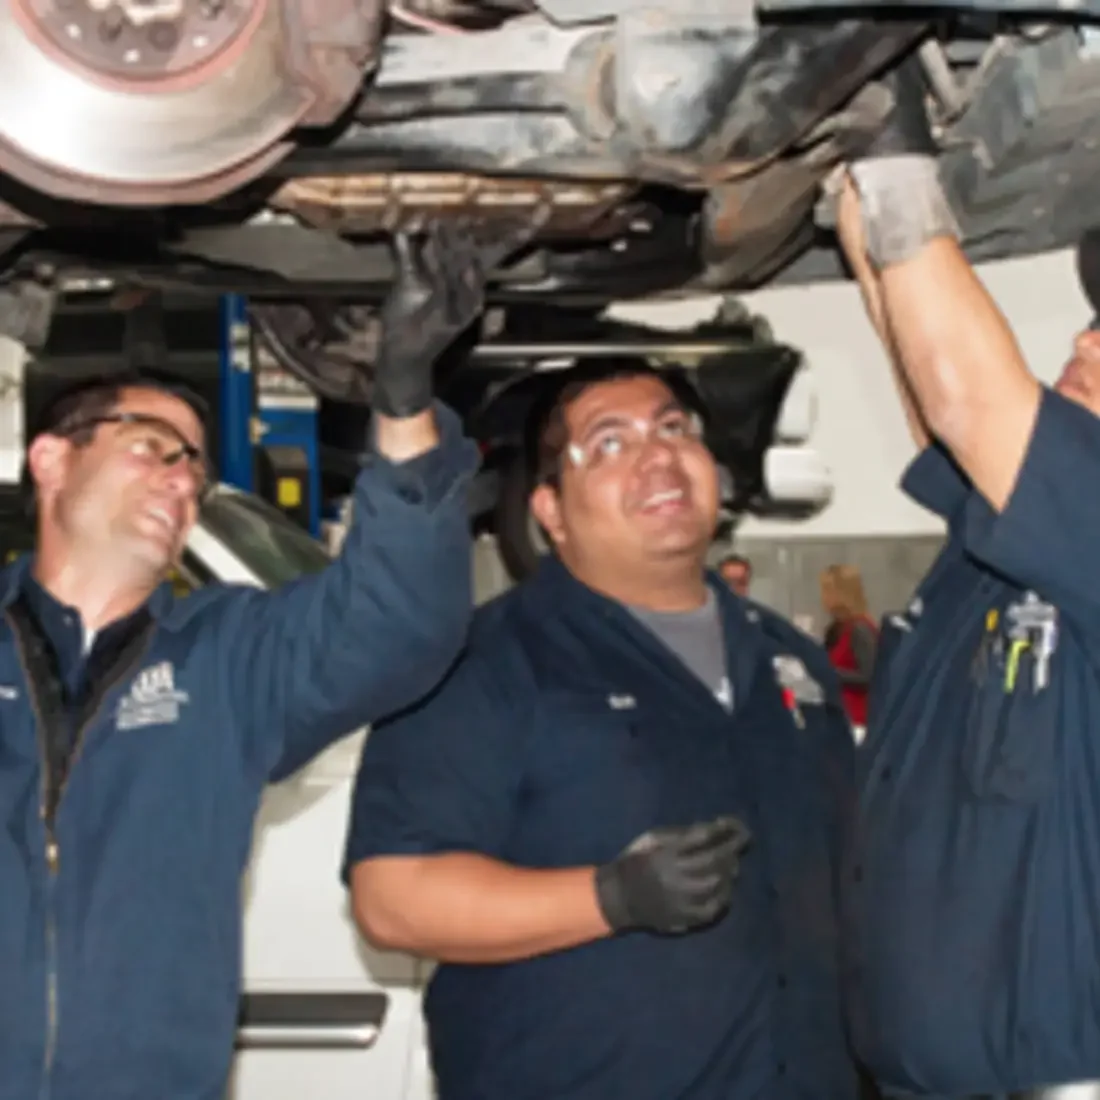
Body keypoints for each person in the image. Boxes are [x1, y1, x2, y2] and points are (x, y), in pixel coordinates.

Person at [0, 224, 514, 1100]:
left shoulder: (226, 657)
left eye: (195, 469)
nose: (181, 481)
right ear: (50, 459)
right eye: (154, 446)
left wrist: (401, 399)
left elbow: (399, 624)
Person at [342, 358, 860, 1100]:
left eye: (673, 429)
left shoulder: (790, 660)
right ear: (549, 510)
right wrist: (610, 898)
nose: (657, 455)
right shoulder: (479, 664)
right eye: (610, 443)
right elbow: (393, 897)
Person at [827, 57, 1100, 1099]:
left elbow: (966, 404)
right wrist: (864, 218)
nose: (1083, 336)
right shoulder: (1020, 544)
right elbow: (927, 396)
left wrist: (896, 163)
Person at [820, 564, 878, 727]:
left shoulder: (860, 629)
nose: (823, 597)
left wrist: (829, 672)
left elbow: (868, 676)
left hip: (858, 719)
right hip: (838, 716)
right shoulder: (835, 629)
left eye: (827, 590)